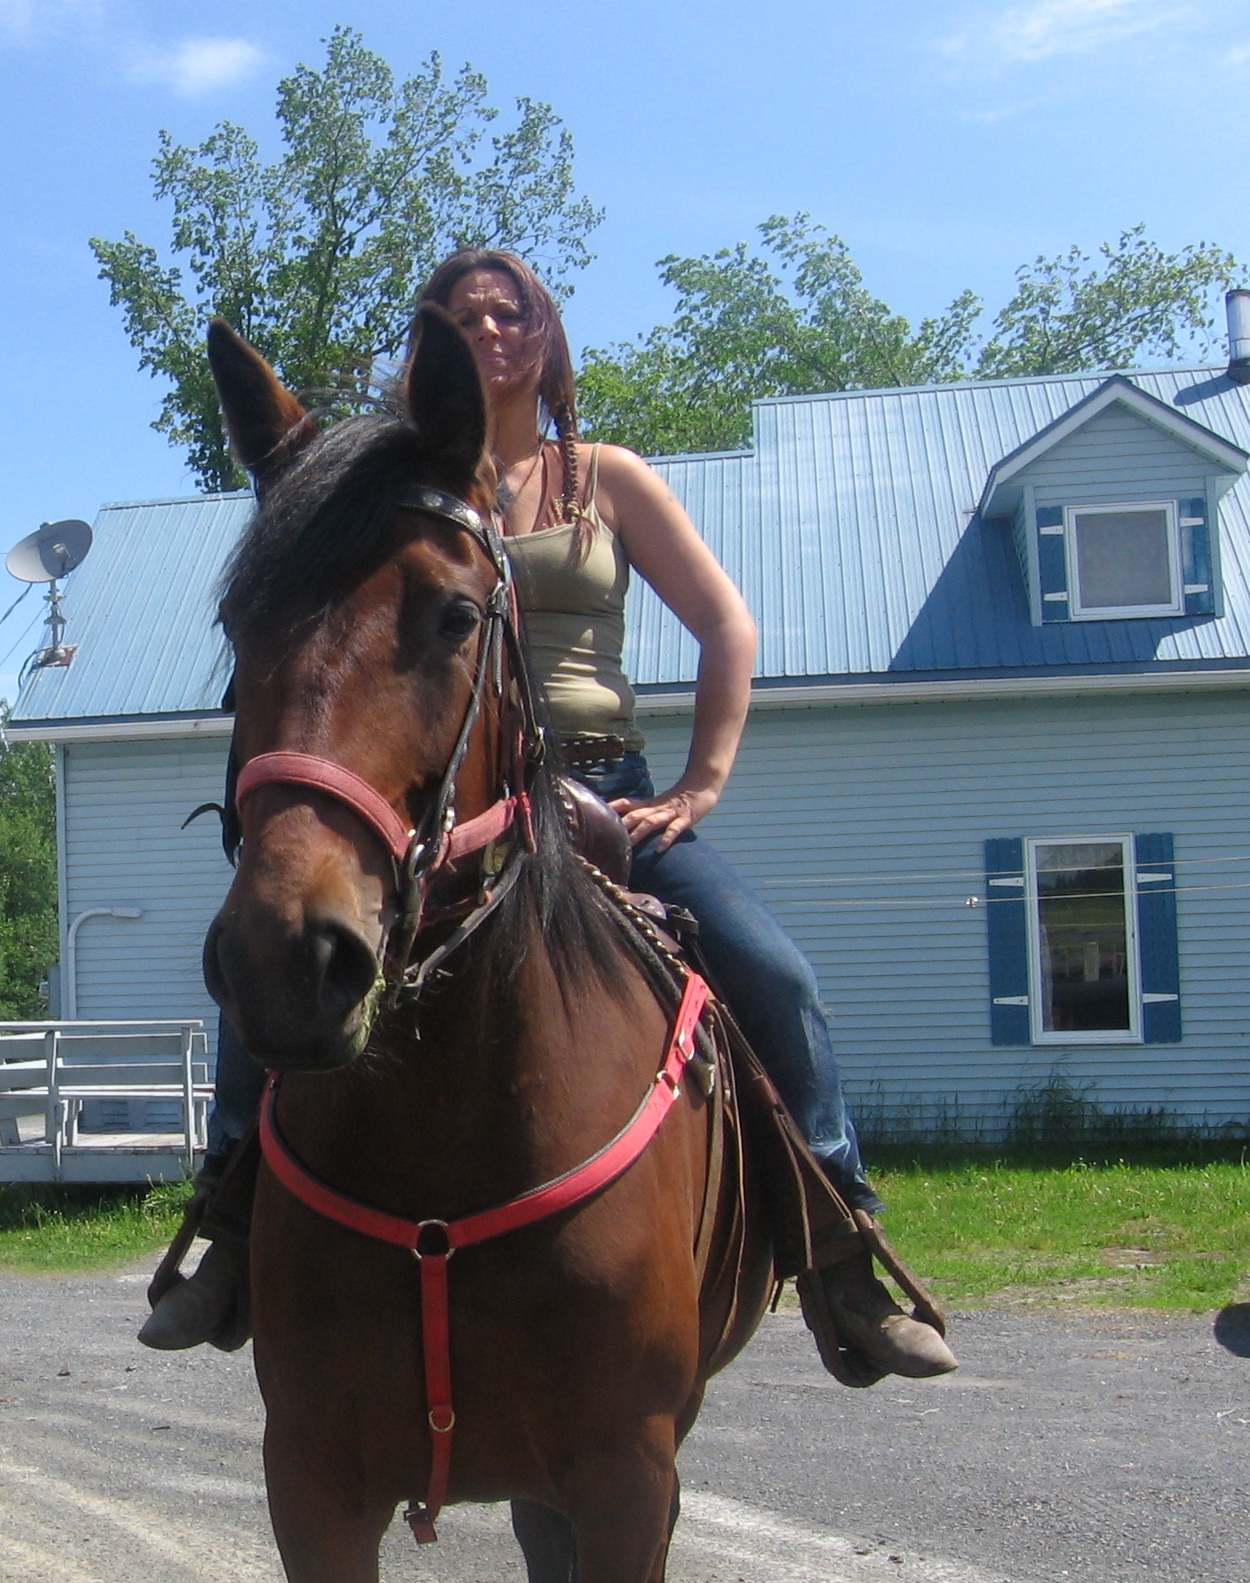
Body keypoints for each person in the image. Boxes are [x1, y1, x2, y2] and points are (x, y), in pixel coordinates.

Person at [142, 251, 956, 1380]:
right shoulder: (397, 481)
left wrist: (699, 786)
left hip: (609, 792)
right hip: (454, 793)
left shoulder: (604, 478)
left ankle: (838, 1245)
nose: (489, 326)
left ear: (547, 334)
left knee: (773, 970)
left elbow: (729, 627)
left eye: (510, 309)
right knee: (265, 956)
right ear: (431, 342)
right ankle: (231, 1224)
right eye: (462, 312)